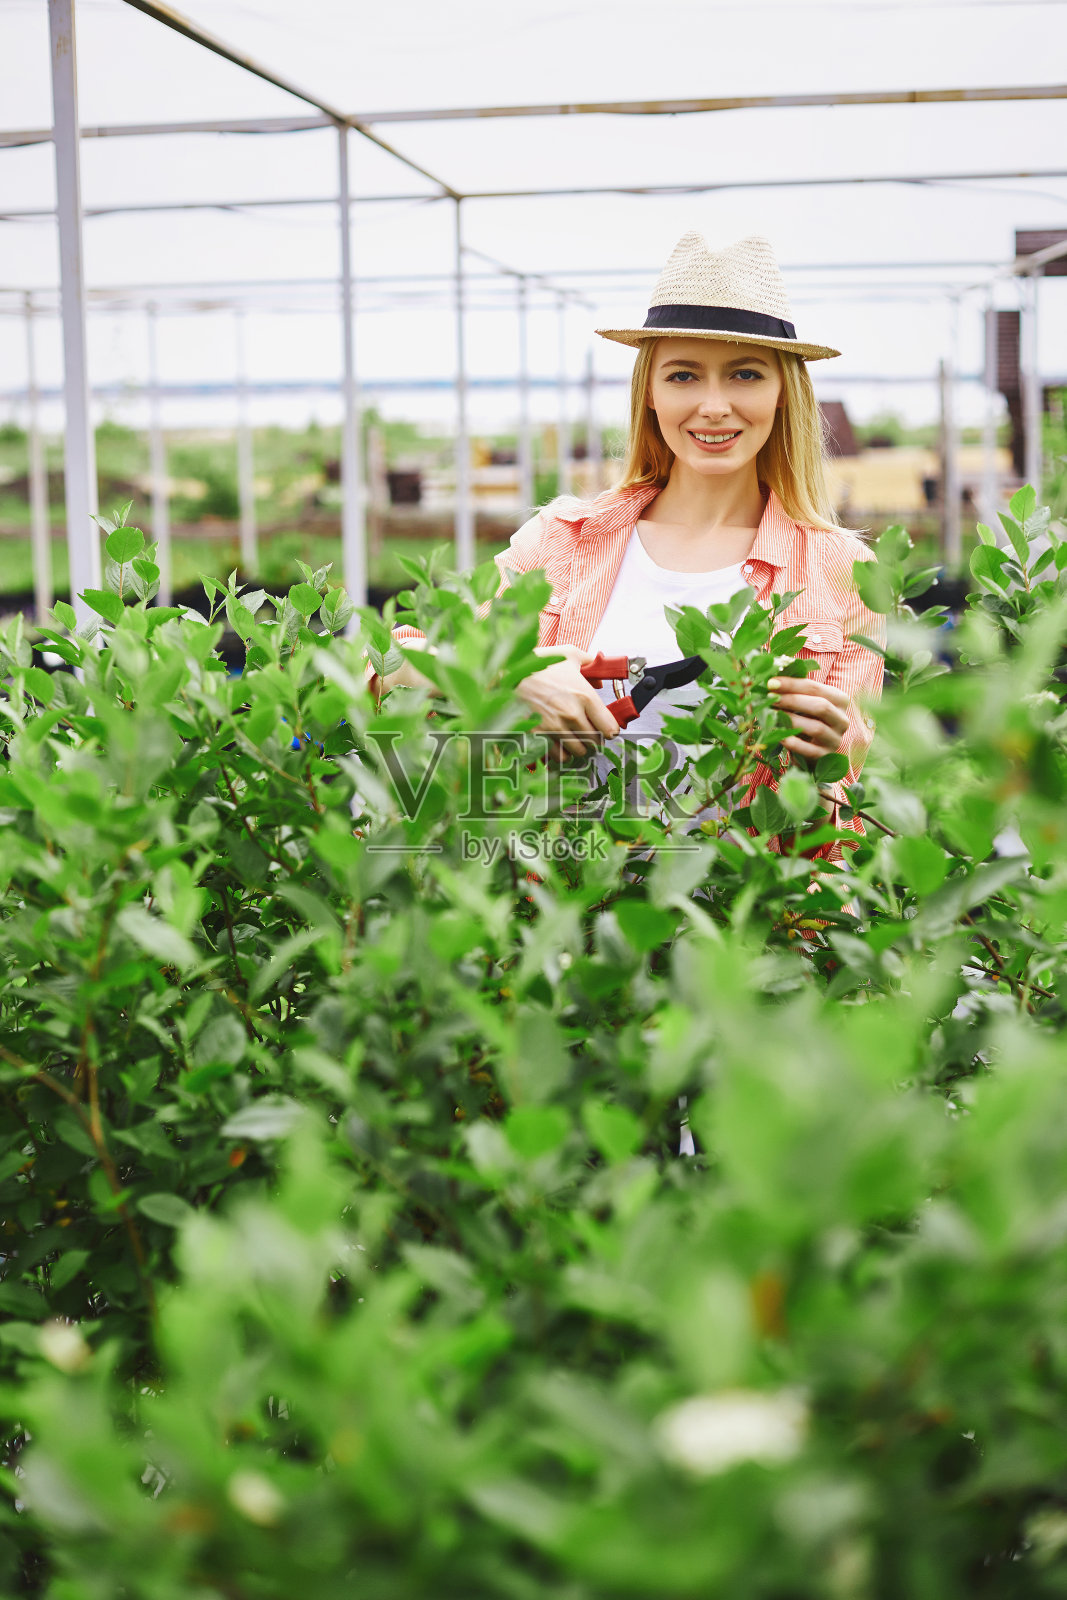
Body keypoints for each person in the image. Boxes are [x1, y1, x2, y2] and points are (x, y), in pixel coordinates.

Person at [368, 232, 886, 865]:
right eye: (683, 375)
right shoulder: (564, 541)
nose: (714, 405)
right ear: (651, 391)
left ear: (784, 393)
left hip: (749, 933)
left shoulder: (839, 570)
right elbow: (386, 673)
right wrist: (511, 674)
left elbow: (841, 818)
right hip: (561, 914)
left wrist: (828, 754)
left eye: (745, 374)